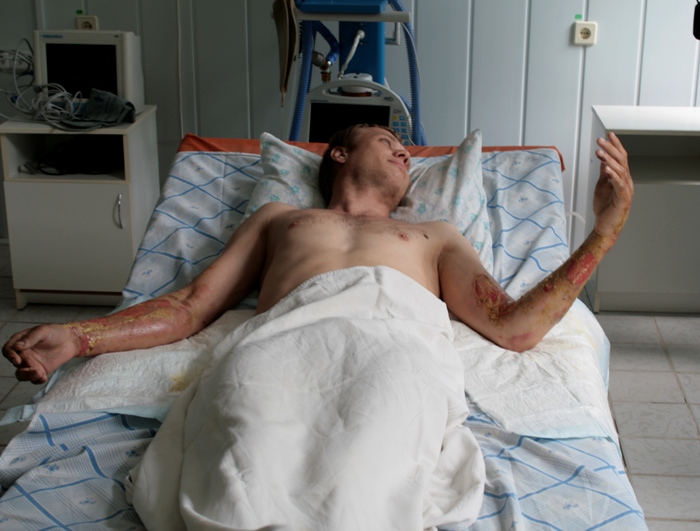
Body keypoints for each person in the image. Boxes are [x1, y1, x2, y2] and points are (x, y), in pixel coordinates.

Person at [2, 124, 633, 384]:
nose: (405, 152)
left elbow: (514, 328)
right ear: (338, 153)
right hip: (277, 355)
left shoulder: (436, 235)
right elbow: (192, 306)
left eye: (406, 151)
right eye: (388, 139)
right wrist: (79, 336)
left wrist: (605, 229)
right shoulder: (279, 218)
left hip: (394, 356)